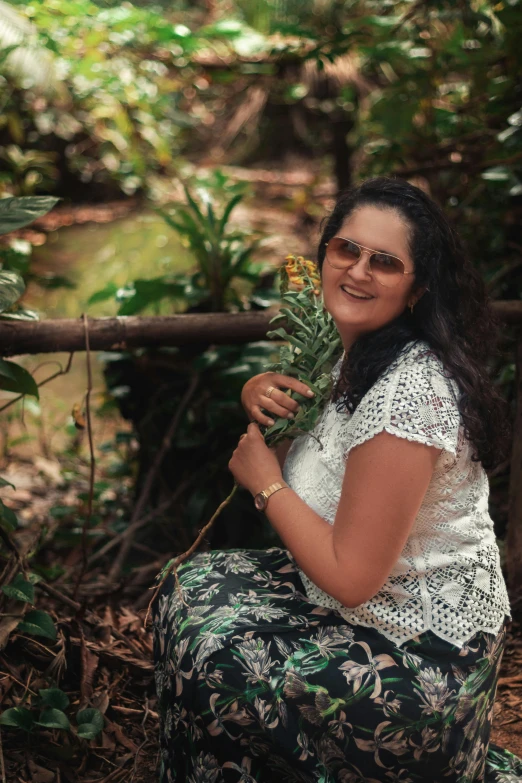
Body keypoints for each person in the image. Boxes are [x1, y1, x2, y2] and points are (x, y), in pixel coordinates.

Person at [152, 177, 522, 782]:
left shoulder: (410, 395)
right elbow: (318, 453)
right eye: (346, 249)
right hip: (368, 605)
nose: (358, 270)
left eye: (385, 262)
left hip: (421, 656)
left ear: (417, 288)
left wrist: (266, 485)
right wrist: (257, 392)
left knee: (218, 653)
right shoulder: (346, 349)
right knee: (187, 586)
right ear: (323, 254)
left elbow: (351, 577)